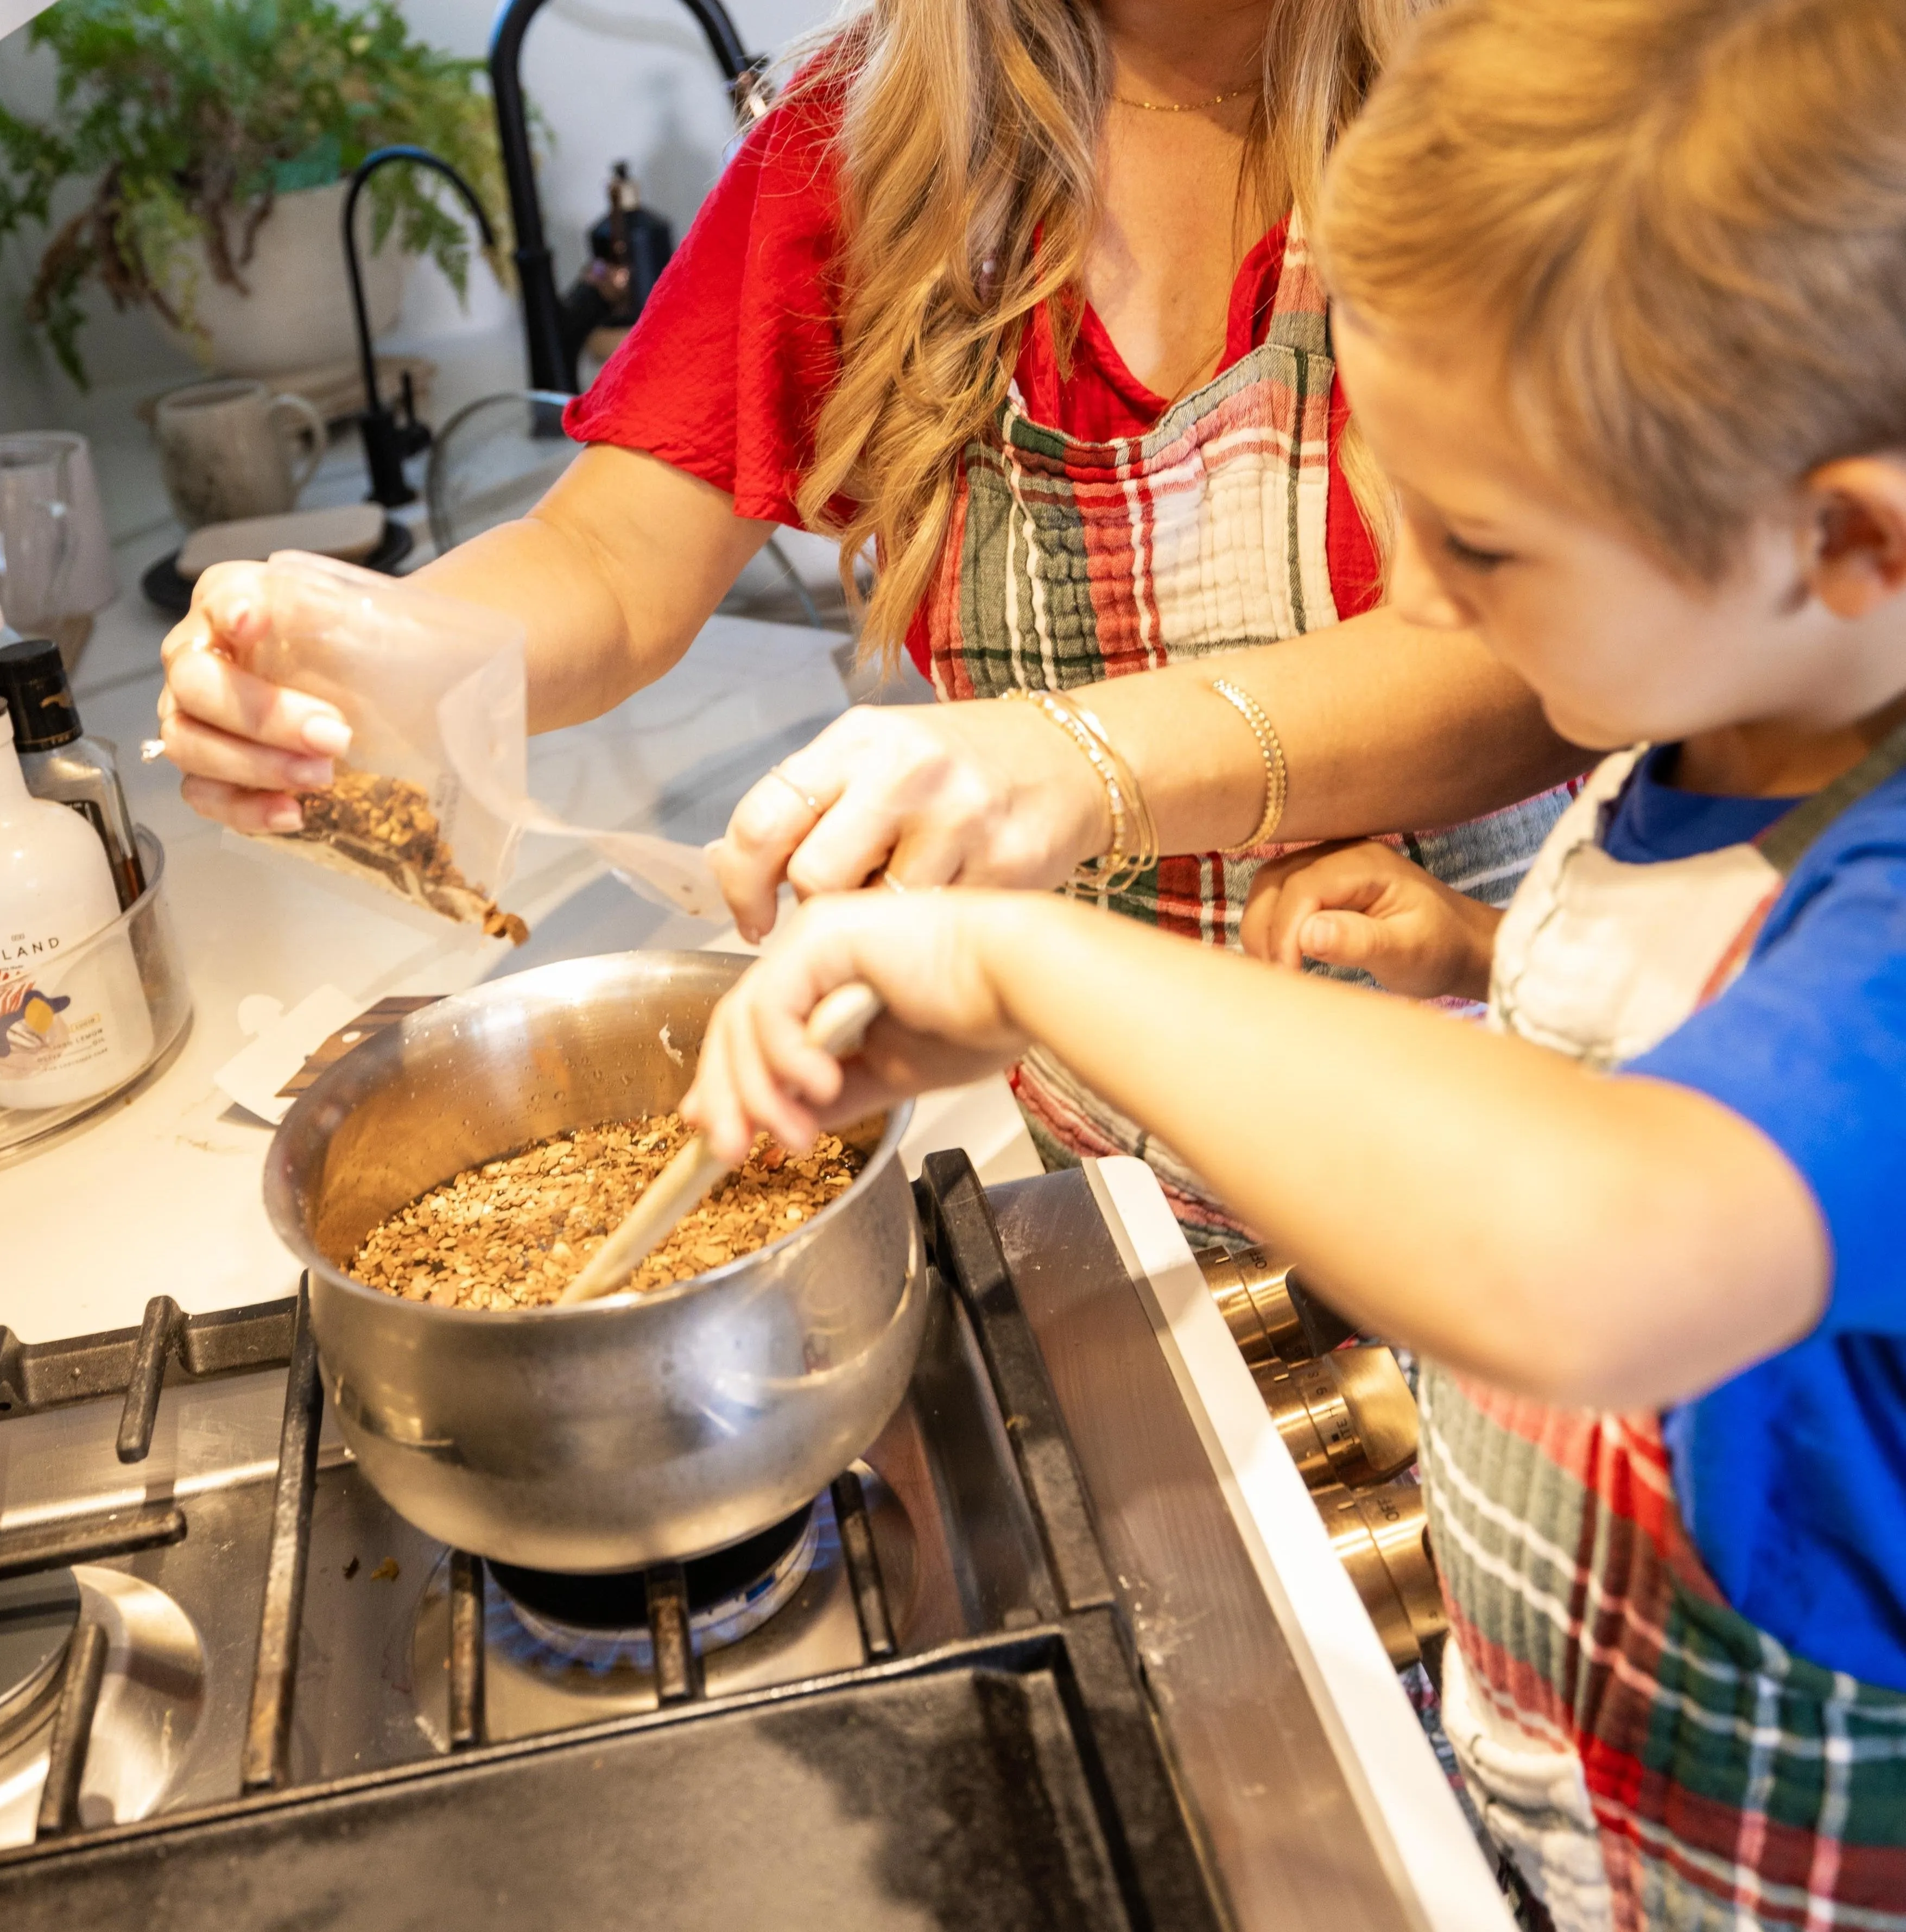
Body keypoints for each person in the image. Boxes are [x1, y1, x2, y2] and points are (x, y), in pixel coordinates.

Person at [679, 0, 1906, 1923]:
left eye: (1483, 547)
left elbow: (1605, 1246)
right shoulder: (1734, 746)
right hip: (1574, 1793)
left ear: (1852, 548)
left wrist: (1025, 964)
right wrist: (1487, 955)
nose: (1413, 602)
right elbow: (1697, 1054)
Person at [153, 0, 1582, 1239]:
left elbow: (1560, 660)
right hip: (1121, 1184)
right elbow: (607, 559)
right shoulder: (871, 147)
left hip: (1528, 1144)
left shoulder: (1546, 96)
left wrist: (1073, 759)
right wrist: (354, 654)